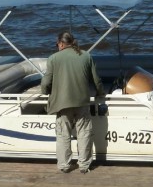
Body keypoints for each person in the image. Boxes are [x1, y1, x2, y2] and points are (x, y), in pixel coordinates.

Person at [41, 31, 105, 173]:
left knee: (63, 135)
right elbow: (96, 80)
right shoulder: (86, 56)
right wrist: (101, 93)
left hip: (62, 104)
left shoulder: (53, 58)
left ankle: (64, 165)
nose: (57, 46)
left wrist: (45, 92)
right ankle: (84, 165)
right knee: (84, 133)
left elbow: (46, 82)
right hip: (82, 101)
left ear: (61, 43)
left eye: (57, 44)